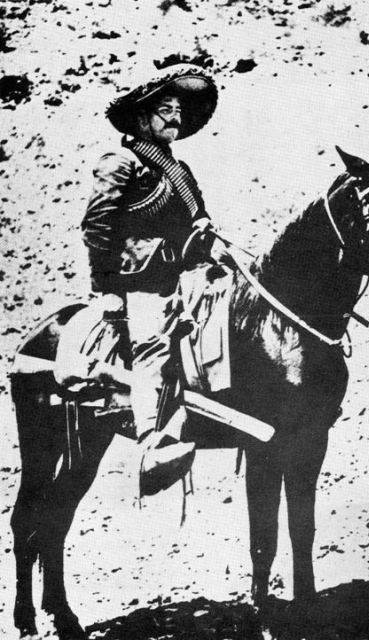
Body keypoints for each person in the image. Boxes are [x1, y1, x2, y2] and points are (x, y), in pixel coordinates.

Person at [81, 63, 227, 490]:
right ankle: (151, 444)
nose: (175, 118)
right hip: (141, 283)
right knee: (152, 344)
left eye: (179, 111)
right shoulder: (120, 162)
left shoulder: (180, 171)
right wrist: (107, 289)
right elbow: (97, 228)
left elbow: (198, 221)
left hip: (188, 277)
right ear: (141, 117)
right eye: (166, 110)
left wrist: (207, 236)